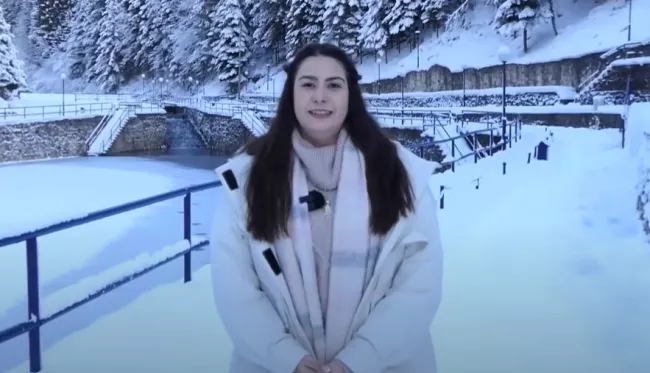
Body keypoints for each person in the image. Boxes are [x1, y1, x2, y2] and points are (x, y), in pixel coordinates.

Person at [209, 42, 443, 373]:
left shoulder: (399, 172)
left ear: (351, 95)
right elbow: (234, 286)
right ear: (291, 94)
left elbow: (419, 284)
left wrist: (359, 359)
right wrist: (285, 357)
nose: (320, 96)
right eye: (308, 84)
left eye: (334, 85)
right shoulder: (248, 178)